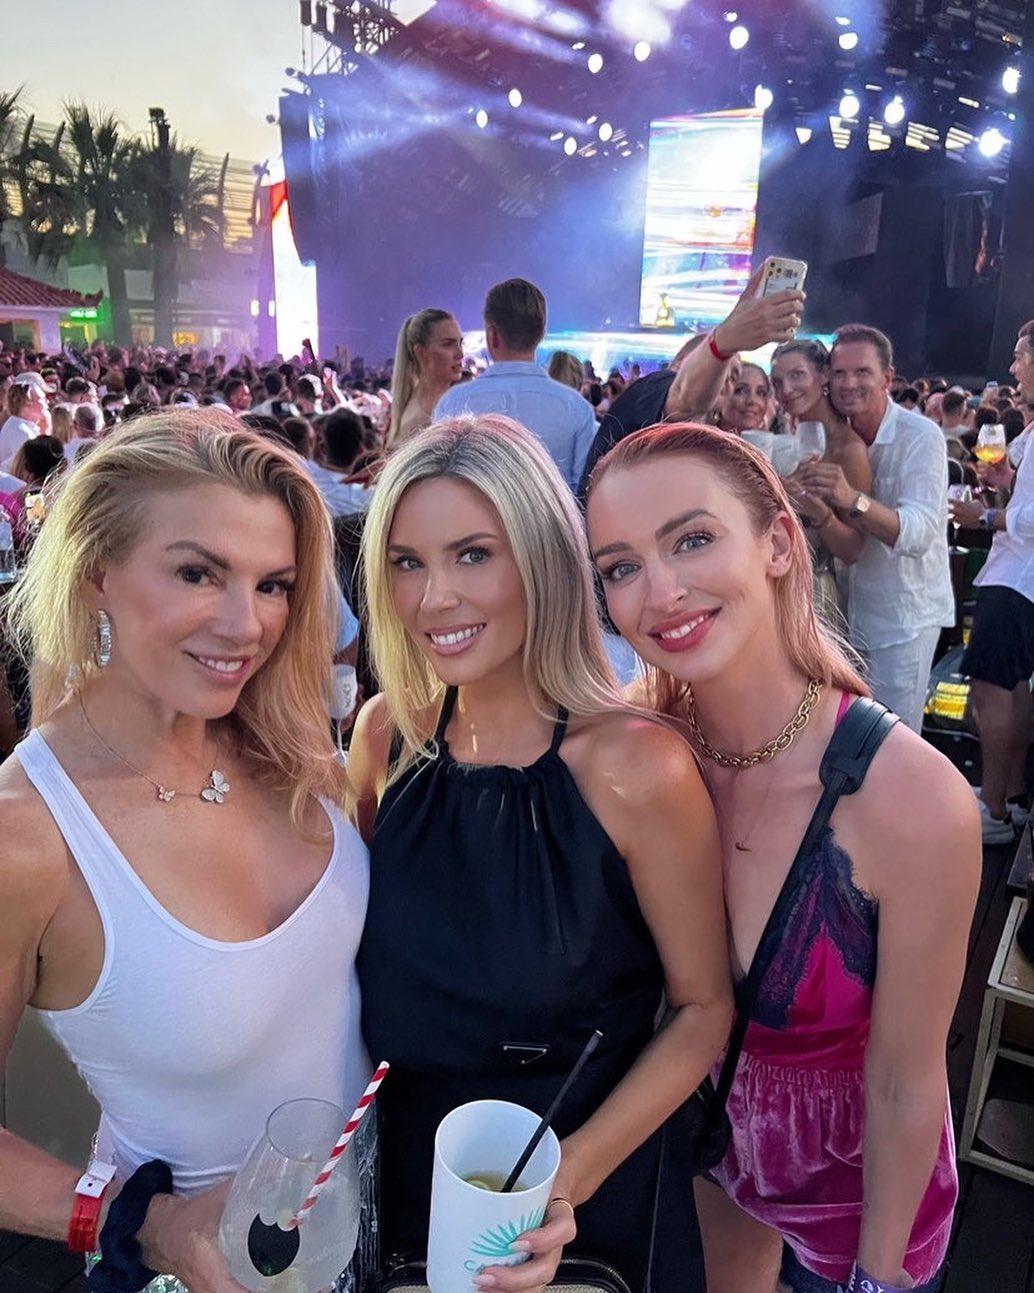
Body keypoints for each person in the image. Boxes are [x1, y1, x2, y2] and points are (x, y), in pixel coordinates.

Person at [585, 422, 980, 1293]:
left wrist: (874, 1282)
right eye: (620, 566)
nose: (661, 591)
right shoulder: (634, 753)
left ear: (778, 543)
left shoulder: (913, 801)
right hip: (705, 1165)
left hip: (854, 1217)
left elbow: (906, 1085)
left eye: (693, 538)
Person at [349, 414, 732, 1291]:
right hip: (402, 1184)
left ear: (542, 559)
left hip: (588, 1199)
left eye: (472, 554)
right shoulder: (383, 738)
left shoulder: (638, 766)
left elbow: (702, 1007)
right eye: (406, 562)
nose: (433, 597)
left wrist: (567, 1178)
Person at [0, 408, 370, 1292]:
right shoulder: (28, 834)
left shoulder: (289, 744)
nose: (247, 625)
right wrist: (149, 1225)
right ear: (97, 571)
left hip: (370, 1234)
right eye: (199, 572)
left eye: (273, 584)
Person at [796, 325, 954, 732]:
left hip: (903, 618)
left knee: (894, 737)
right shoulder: (824, 435)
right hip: (845, 613)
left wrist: (851, 498)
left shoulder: (921, 437)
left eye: (862, 372)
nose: (849, 383)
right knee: (851, 735)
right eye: (840, 373)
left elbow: (919, 532)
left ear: (887, 378)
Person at [578, 264, 805, 497]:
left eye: (733, 376)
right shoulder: (654, 386)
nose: (724, 380)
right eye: (719, 369)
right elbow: (685, 397)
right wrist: (724, 342)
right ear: (681, 362)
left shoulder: (705, 434)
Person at [949, 323, 1034, 841]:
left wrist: (984, 517)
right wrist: (1006, 482)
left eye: (1021, 356)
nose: (1012, 368)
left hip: (1017, 578)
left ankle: (995, 807)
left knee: (991, 688)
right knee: (1015, 686)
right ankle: (1013, 795)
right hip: (1016, 576)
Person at [432, 279, 597, 492]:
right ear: (541, 333)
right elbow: (585, 494)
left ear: (492, 336)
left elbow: (440, 488)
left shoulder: (453, 404)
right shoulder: (577, 409)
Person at [772, 339, 874, 620]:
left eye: (797, 375)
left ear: (823, 376)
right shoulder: (786, 438)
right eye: (777, 382)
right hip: (777, 591)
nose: (786, 390)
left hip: (815, 596)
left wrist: (820, 514)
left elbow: (854, 550)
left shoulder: (847, 449)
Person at [387, 308, 464, 445]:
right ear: (421, 353)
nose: (460, 354)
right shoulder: (417, 424)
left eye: (460, 343)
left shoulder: (449, 405)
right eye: (448, 344)